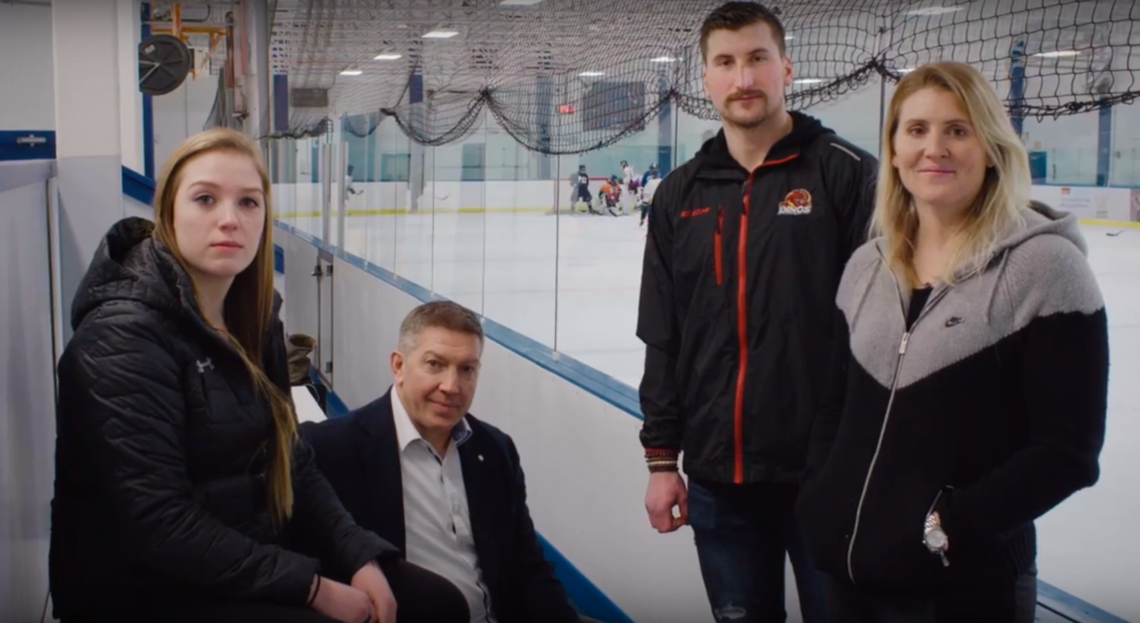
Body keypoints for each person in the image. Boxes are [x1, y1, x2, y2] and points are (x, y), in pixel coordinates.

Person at [49, 128, 466, 623]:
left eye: (248, 203)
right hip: (138, 585)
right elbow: (157, 524)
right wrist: (312, 589)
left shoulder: (254, 318)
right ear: (166, 211)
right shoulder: (122, 337)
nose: (230, 219)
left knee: (438, 605)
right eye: (205, 199)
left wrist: (358, 555)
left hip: (239, 550)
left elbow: (292, 460)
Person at [796, 61, 1109, 623]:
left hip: (963, 589)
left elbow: (1068, 451)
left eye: (957, 130)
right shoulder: (868, 265)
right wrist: (822, 496)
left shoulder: (1046, 268)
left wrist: (948, 528)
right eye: (916, 130)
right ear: (893, 150)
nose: (934, 148)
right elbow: (834, 407)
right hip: (847, 579)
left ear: (989, 148)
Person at [636, 3, 878, 622]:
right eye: (725, 63)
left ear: (786, 68)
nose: (742, 78)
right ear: (707, 79)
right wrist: (663, 463)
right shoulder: (680, 194)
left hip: (828, 477)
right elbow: (663, 336)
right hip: (721, 481)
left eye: (756, 59)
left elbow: (883, 333)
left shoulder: (846, 175)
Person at [299, 301, 583, 623]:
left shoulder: (494, 450)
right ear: (398, 366)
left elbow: (527, 566)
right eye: (435, 364)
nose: (451, 386)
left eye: (467, 369)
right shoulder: (330, 450)